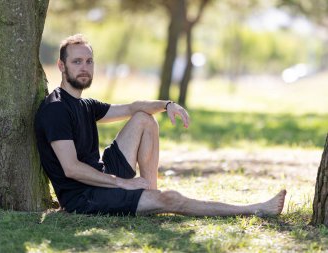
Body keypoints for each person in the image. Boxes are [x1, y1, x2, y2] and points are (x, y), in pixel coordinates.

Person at [34, 34, 286, 217]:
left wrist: (168, 105)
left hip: (100, 175)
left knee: (144, 117)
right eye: (77, 62)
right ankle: (255, 209)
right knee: (171, 199)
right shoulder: (56, 108)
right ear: (61, 66)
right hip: (84, 195)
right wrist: (123, 183)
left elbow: (133, 108)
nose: (85, 68)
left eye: (89, 61)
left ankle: (149, 192)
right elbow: (71, 169)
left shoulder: (85, 104)